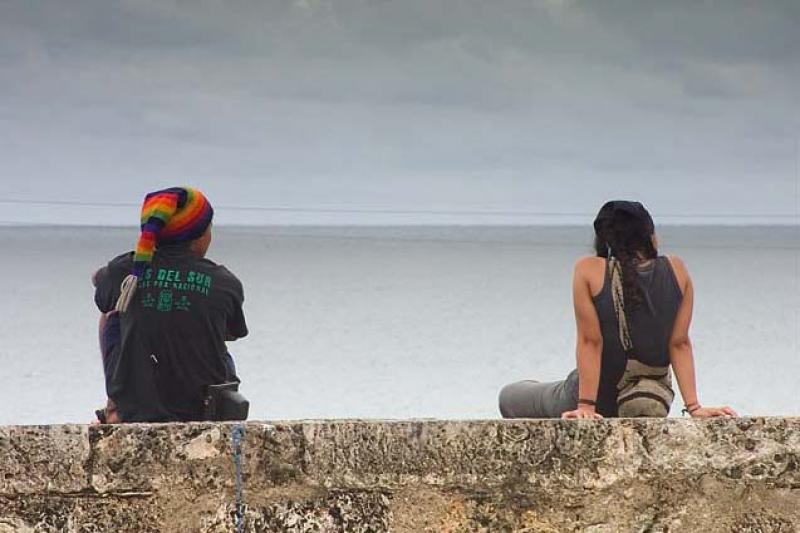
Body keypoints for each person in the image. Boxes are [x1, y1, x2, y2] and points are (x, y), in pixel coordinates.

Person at [498, 200, 737, 420]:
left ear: (604, 240)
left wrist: (586, 407)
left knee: (509, 396)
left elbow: (591, 342)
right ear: (651, 236)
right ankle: (640, 400)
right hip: (650, 389)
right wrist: (694, 407)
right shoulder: (677, 269)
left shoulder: (588, 270)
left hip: (594, 393)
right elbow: (679, 343)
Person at [92, 186, 248, 423]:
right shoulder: (223, 282)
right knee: (217, 340)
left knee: (113, 313)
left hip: (138, 410)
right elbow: (233, 332)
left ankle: (116, 409)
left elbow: (98, 282)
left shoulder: (124, 271)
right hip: (205, 408)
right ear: (198, 237)